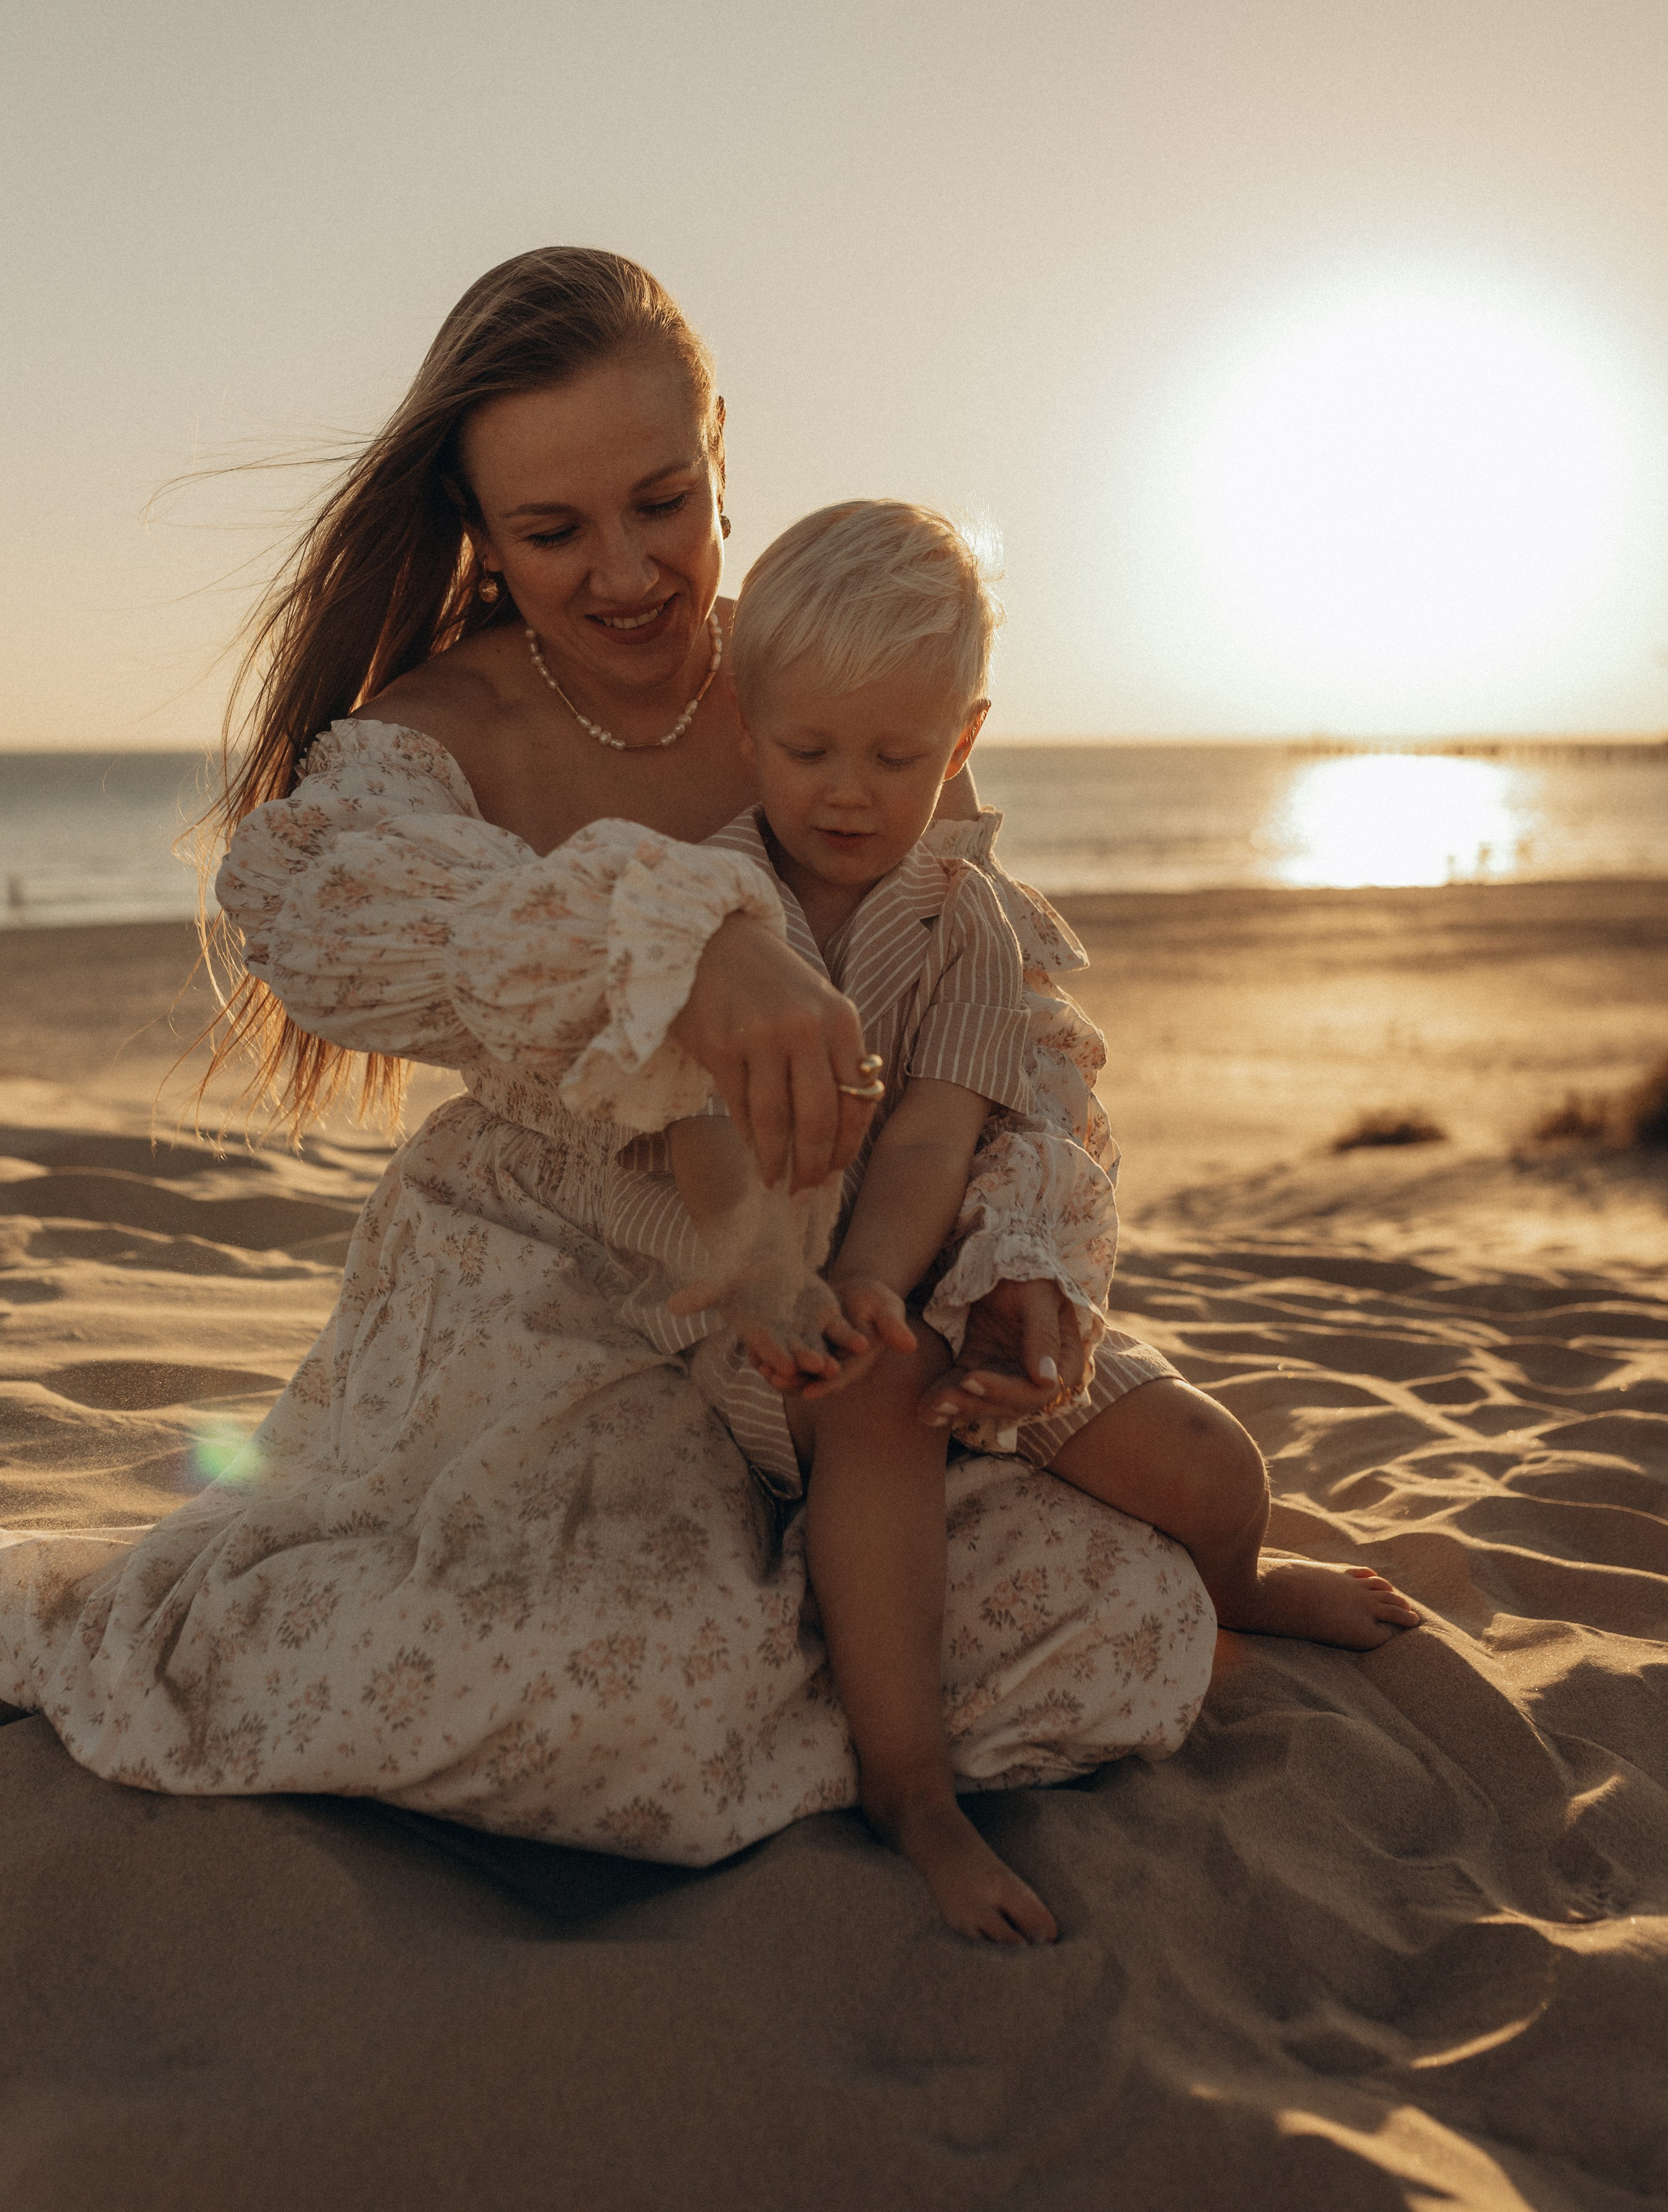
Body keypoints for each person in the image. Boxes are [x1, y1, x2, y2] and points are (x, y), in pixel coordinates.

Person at [0, 248, 1217, 1899]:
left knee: (1141, 1606)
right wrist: (680, 933)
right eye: (552, 532)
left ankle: (855, 1677)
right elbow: (304, 896)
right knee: (635, 1696)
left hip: (856, 1281)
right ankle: (832, 1713)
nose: (630, 572)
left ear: (721, 456)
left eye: (664, 501)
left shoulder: (814, 667)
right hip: (565, 1281)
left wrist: (1018, 1263)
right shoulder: (447, 730)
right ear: (480, 534)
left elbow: (990, 1024)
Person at [601, 500, 1421, 1942]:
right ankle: (912, 1798)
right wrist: (804, 1287)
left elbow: (936, 1124)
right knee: (882, 1406)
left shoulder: (960, 919)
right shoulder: (704, 904)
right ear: (744, 724)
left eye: (897, 756)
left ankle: (1239, 1585)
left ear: (961, 743)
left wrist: (893, 1271)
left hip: (937, 1271)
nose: (849, 791)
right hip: (763, 1315)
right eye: (809, 750)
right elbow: (694, 1139)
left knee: (1208, 1463)